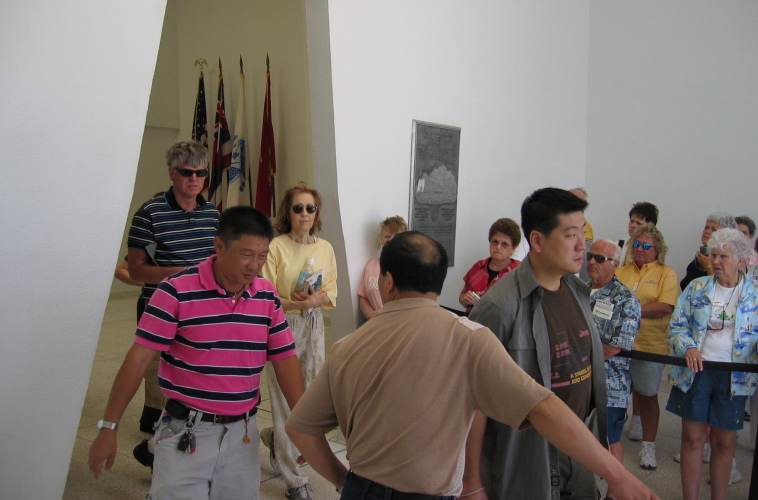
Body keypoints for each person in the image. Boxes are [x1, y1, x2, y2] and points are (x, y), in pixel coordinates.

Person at [284, 231, 658, 500]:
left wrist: (343, 481)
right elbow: (542, 407)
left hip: (362, 488)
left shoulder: (349, 345)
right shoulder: (468, 338)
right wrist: (616, 474)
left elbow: (301, 428)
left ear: (388, 280)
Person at [88, 206, 305, 500]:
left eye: (262, 255)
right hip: (186, 432)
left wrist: (306, 429)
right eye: (245, 254)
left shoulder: (266, 297)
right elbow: (138, 360)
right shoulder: (175, 291)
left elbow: (286, 361)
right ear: (218, 245)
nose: (254, 265)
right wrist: (108, 428)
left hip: (243, 433)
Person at [467, 187, 608, 499]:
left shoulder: (577, 290)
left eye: (582, 233)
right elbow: (471, 399)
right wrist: (470, 483)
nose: (582, 245)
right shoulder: (499, 307)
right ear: (538, 240)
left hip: (580, 446)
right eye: (571, 235)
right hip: (529, 457)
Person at [127, 143, 220, 466]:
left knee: (192, 380)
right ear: (172, 173)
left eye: (200, 172)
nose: (194, 179)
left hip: (202, 312)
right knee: (164, 381)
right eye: (186, 172)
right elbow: (136, 270)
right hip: (161, 308)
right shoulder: (149, 213)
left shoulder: (212, 214)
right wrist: (179, 274)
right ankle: (161, 449)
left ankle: (158, 447)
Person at [666, 228, 758, 500]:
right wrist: (689, 346)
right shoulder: (697, 288)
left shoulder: (754, 295)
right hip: (697, 372)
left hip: (735, 376)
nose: (716, 261)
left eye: (724, 256)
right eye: (713, 254)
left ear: (741, 260)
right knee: (693, 439)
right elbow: (676, 327)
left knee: (724, 443)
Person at [260, 181, 338, 500]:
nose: (304, 213)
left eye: (310, 208)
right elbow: (265, 295)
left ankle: (276, 440)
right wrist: (294, 304)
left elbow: (332, 288)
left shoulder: (325, 248)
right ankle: (295, 479)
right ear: (287, 213)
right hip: (283, 323)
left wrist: (317, 299)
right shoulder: (276, 246)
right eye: (298, 208)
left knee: (311, 394)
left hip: (313, 323)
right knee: (284, 397)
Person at [615, 223, 679, 470]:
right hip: (620, 345)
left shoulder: (667, 274)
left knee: (648, 395)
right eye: (636, 245)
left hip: (649, 345)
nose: (639, 249)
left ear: (657, 249)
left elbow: (665, 306)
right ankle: (611, 440)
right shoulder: (622, 272)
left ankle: (648, 447)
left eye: (646, 246)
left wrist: (631, 309)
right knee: (618, 395)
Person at [586, 239, 641, 500]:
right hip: (579, 380)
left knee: (609, 440)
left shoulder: (625, 299)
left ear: (615, 265)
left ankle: (615, 493)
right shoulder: (578, 289)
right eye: (590, 256)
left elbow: (615, 346)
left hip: (610, 383)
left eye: (600, 259)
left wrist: (580, 361)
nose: (592, 262)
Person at [458, 218, 520, 314]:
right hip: (472, 322)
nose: (498, 247)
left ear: (513, 248)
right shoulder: (478, 267)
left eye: (504, 244)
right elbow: (462, 296)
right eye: (495, 242)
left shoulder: (517, 273)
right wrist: (466, 298)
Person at [358, 216, 407, 320]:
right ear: (381, 239)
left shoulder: (410, 266)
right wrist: (372, 315)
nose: (391, 240)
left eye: (397, 236)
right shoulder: (371, 265)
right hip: (377, 325)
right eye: (387, 236)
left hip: (401, 324)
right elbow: (363, 298)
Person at [679, 212, 736, 291]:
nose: (707, 231)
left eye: (714, 229)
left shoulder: (729, 259)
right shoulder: (701, 256)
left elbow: (723, 288)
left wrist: (709, 266)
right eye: (706, 227)